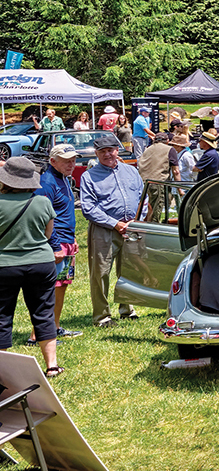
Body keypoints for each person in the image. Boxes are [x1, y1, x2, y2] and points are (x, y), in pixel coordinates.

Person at [0, 157, 62, 378]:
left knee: (2, 316)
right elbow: (48, 234)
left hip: (4, 265)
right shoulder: (43, 202)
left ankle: (3, 369)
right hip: (40, 264)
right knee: (44, 313)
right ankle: (52, 366)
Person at [80, 133, 144, 327]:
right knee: (100, 273)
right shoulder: (88, 176)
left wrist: (137, 220)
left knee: (129, 271)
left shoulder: (131, 171)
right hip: (104, 230)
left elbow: (143, 196)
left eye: (111, 150)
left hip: (132, 228)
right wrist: (115, 224)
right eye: (103, 151)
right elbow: (88, 208)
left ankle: (127, 309)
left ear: (118, 150)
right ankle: (102, 316)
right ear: (97, 154)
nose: (108, 154)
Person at [33, 144, 81, 343]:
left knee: (61, 287)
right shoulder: (47, 182)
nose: (71, 164)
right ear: (53, 161)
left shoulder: (64, 179)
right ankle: (37, 335)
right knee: (47, 290)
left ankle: (55, 327)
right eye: (66, 160)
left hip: (66, 242)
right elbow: (42, 217)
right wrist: (54, 246)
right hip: (55, 244)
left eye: (73, 160)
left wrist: (73, 238)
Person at [137, 132, 181, 220]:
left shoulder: (148, 149)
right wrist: (179, 188)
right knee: (155, 212)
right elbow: (176, 171)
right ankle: (152, 230)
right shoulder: (169, 149)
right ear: (167, 141)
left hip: (142, 183)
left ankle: (143, 228)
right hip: (157, 182)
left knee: (144, 210)